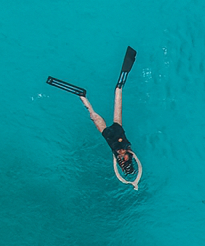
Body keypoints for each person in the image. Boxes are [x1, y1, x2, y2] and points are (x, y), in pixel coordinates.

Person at [46, 46, 141, 188]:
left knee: (92, 114)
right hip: (117, 127)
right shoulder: (129, 150)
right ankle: (127, 66)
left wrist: (131, 182)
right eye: (125, 159)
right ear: (129, 158)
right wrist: (134, 176)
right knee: (118, 91)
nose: (122, 157)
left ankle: (81, 95)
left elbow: (120, 168)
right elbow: (132, 157)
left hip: (107, 134)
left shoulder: (118, 158)